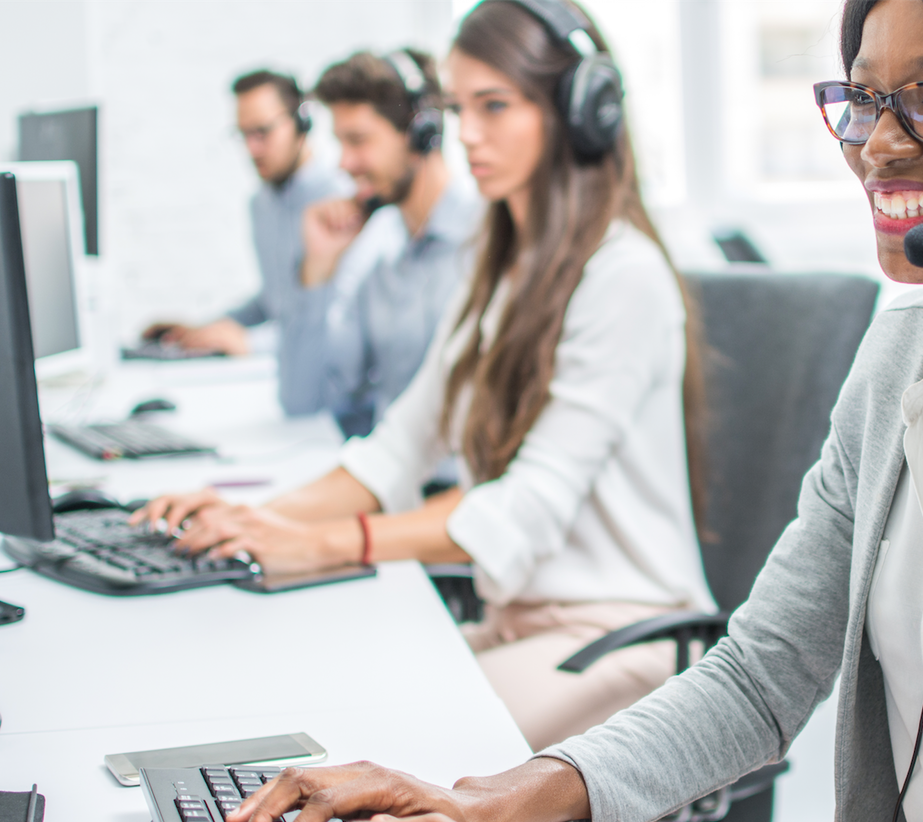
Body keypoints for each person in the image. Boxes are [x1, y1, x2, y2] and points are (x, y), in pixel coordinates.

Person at [221, 1, 923, 822]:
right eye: (862, 97)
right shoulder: (902, 355)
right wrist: (485, 800)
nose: (878, 143)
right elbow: (759, 676)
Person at [134, 0, 715, 754]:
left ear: (582, 112)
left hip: (622, 634)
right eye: (456, 107)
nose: (465, 133)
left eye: (494, 106)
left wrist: (323, 544)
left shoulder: (621, 276)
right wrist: (252, 520)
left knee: (388, 757)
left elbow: (520, 510)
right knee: (307, 710)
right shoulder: (500, 266)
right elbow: (397, 450)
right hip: (519, 621)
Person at [143, 70, 352, 416]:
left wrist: (248, 342)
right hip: (285, 393)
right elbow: (275, 300)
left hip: (327, 404)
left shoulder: (340, 204)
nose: (252, 149)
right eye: (243, 135)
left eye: (262, 132)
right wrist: (208, 329)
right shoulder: (262, 205)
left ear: (302, 123)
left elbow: (334, 321)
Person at [304, 49, 481, 437]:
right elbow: (316, 401)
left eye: (358, 140)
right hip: (394, 486)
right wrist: (320, 268)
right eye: (340, 143)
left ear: (421, 134)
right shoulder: (379, 265)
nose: (344, 163)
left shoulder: (486, 244)